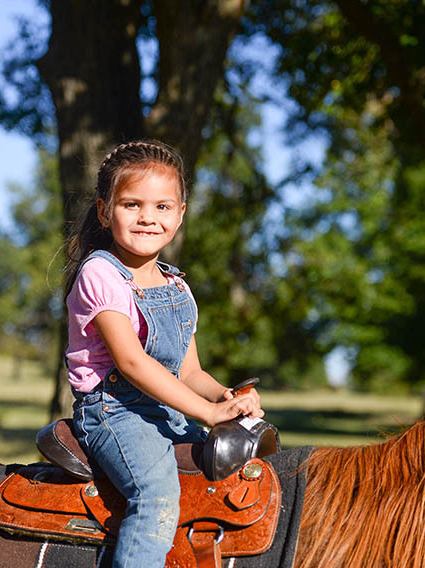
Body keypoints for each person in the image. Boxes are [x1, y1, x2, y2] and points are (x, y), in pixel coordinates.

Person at [64, 140, 264, 567]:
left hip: (168, 409)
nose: (148, 218)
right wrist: (207, 415)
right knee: (156, 496)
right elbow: (132, 362)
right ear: (104, 211)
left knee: (220, 482)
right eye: (131, 205)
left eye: (162, 207)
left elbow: (189, 371)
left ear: (180, 214)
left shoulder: (177, 286)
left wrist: (225, 397)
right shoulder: (101, 274)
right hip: (114, 413)